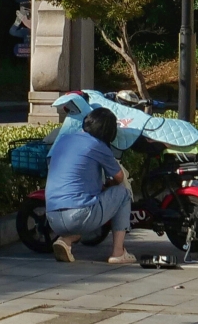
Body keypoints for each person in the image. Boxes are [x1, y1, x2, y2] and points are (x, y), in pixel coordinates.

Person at [42, 104, 134, 264]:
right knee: (123, 194)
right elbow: (119, 178)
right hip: (79, 215)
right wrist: (109, 185)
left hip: (52, 217)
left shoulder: (64, 139)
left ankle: (65, 241)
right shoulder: (98, 145)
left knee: (83, 207)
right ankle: (118, 253)